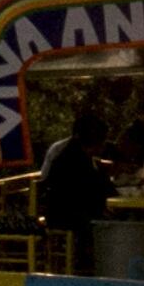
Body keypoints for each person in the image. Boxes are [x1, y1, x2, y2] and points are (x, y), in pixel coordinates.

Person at [36, 102, 112, 272]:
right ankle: (95, 266)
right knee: (104, 224)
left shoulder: (79, 154)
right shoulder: (72, 159)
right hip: (65, 214)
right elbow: (89, 190)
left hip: (68, 210)